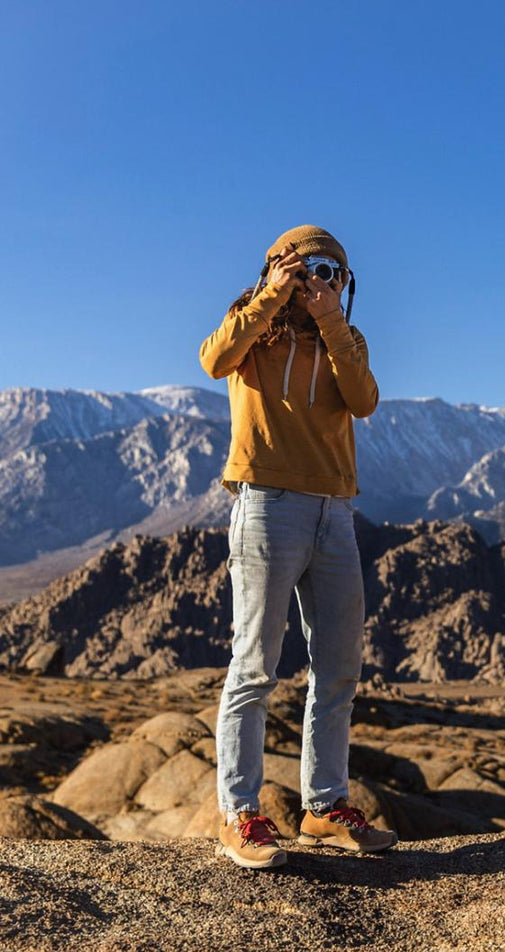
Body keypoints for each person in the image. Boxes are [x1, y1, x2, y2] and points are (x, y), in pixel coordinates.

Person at [199, 224, 397, 869]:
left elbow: (363, 401)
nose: (318, 279)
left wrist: (331, 321)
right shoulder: (250, 327)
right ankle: (240, 813)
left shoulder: (347, 338)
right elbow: (213, 359)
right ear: (275, 269)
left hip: (335, 510)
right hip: (266, 503)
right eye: (305, 267)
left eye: (331, 271)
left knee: (338, 667)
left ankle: (324, 806)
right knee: (255, 664)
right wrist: (268, 298)